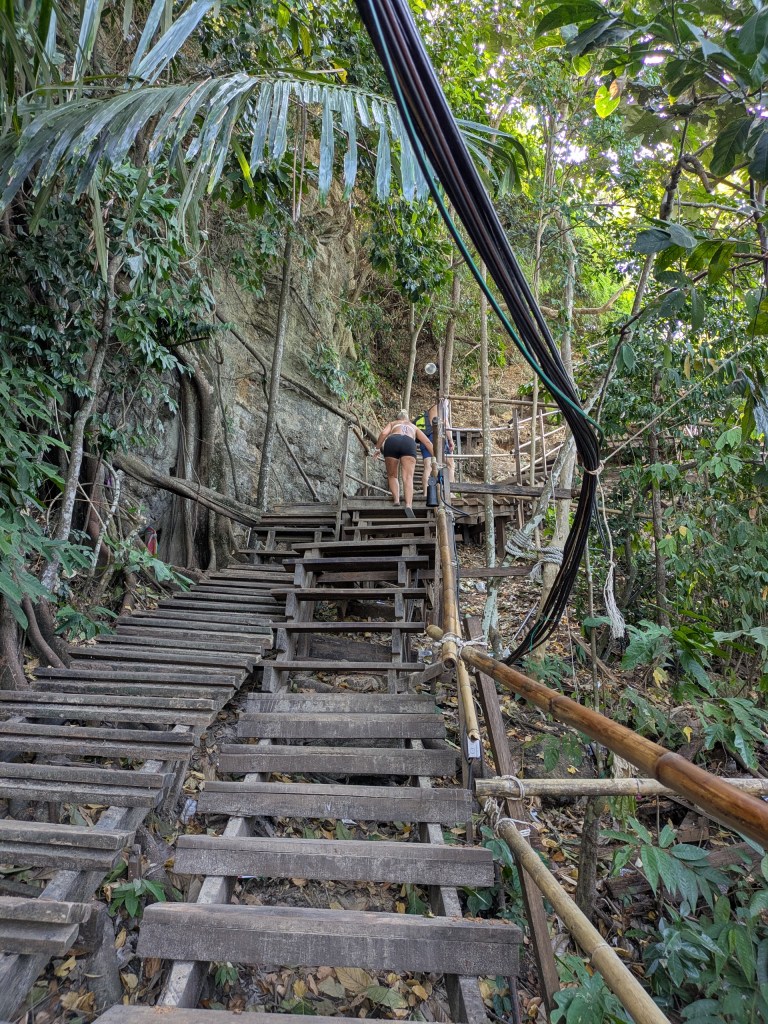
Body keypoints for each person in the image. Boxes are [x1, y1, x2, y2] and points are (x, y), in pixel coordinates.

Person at [374, 410, 434, 516]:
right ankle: (408, 505)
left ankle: (396, 500)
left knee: (392, 475)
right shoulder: (413, 427)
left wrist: (377, 448)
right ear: (407, 419)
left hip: (392, 442)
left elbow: (383, 433)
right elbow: (427, 442)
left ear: (398, 418)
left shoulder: (393, 423)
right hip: (408, 443)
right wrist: (435, 455)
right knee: (408, 477)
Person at [420, 397, 455, 495]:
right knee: (451, 464)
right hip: (438, 437)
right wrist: (451, 440)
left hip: (426, 437)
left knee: (428, 466)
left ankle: (426, 494)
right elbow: (446, 425)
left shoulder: (431, 409)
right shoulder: (442, 408)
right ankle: (449, 492)